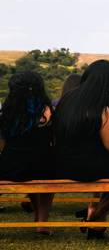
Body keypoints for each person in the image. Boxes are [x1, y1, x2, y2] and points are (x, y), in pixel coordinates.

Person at [53, 60, 109, 235]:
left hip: (63, 164)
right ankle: (97, 214)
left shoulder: (66, 101)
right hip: (92, 165)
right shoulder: (100, 108)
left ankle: (96, 220)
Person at [0, 71, 55, 234]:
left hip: (10, 167)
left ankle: (38, 215)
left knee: (30, 172)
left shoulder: (7, 111)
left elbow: (1, 145)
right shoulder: (46, 109)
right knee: (47, 178)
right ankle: (42, 222)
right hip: (42, 166)